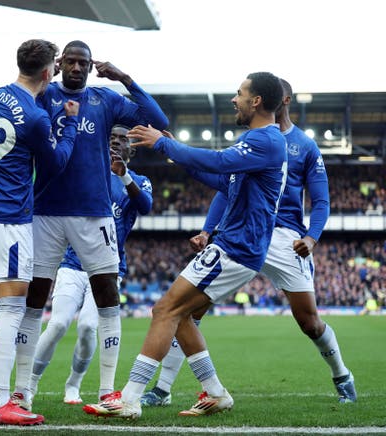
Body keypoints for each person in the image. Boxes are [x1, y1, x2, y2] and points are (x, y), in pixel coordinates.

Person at [141, 78, 357, 407]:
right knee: (189, 309)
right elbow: (227, 188)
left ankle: (342, 375)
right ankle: (162, 388)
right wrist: (208, 229)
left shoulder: (303, 145)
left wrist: (312, 237)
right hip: (245, 233)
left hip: (285, 237)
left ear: (279, 99)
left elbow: (322, 201)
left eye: (245, 95)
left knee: (309, 321)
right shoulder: (252, 138)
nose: (239, 100)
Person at [83, 71, 287, 419]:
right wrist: (174, 151)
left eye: (239, 94)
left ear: (256, 101)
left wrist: (163, 144)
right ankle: (215, 393)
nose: (233, 100)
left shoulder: (265, 141)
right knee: (181, 317)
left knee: (164, 310)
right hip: (236, 247)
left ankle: (130, 398)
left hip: (235, 249)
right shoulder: (260, 143)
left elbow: (219, 162)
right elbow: (221, 179)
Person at [12, 40, 168, 411]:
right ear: (60, 63)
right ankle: (22, 390)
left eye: (84, 62)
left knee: (107, 299)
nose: (78, 68)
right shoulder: (43, 94)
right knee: (34, 303)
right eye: (72, 61)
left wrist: (124, 78)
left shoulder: (105, 99)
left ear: (90, 65)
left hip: (93, 213)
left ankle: (107, 391)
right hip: (46, 212)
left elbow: (157, 121)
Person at [0, 38, 80, 426]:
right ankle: (0, 402)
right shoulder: (36, 117)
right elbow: (56, 163)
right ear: (49, 72)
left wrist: (44, 94)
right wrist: (72, 123)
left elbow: (27, 112)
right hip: (8, 217)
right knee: (11, 308)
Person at [28, 125, 153, 404]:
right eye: (112, 139)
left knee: (86, 327)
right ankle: (29, 384)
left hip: (108, 270)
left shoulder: (140, 181)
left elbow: (145, 206)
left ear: (131, 149)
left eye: (123, 140)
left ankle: (74, 383)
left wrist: (124, 176)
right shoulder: (87, 174)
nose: (117, 143)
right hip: (72, 264)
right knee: (58, 323)